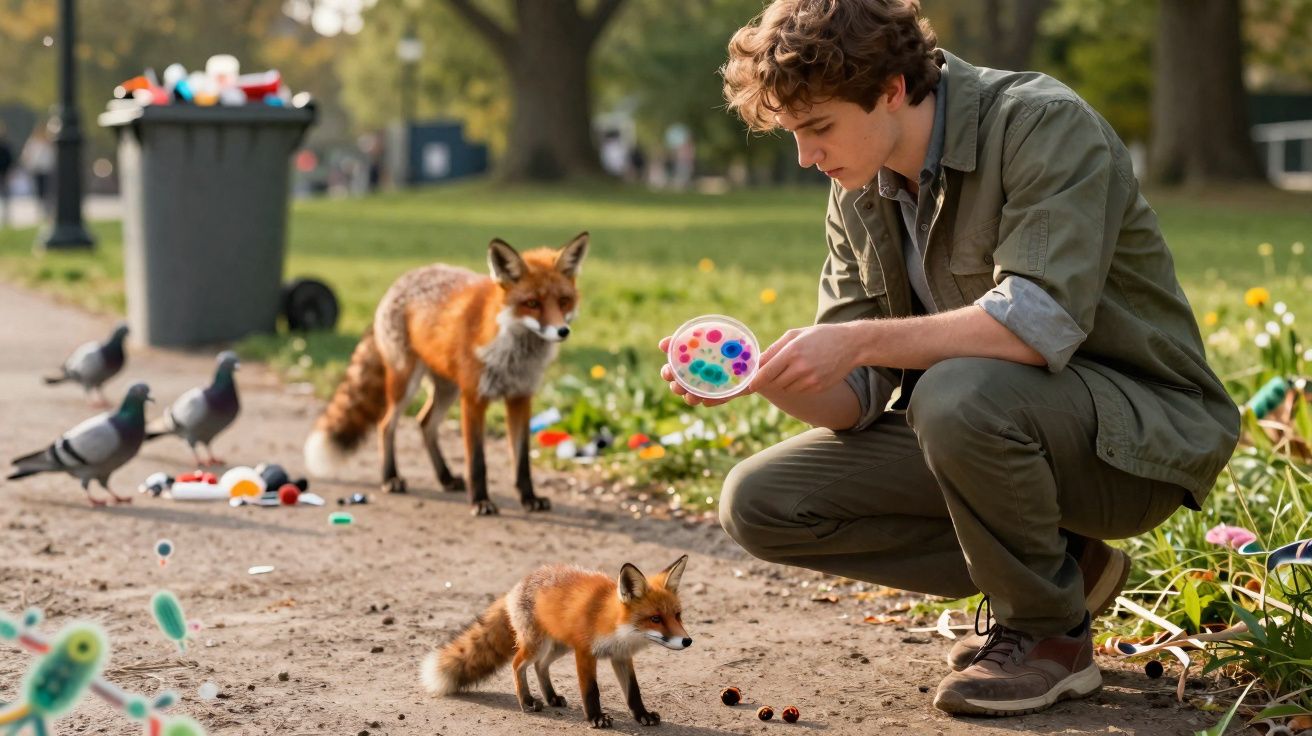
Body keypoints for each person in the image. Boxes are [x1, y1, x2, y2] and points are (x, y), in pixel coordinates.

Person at [658, 0, 1239, 717]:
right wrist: (772, 380)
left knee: (955, 392)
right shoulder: (857, 188)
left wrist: (860, 341)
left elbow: (1038, 323)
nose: (806, 157)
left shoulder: (1039, 124)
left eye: (818, 128)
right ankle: (1067, 570)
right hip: (998, 431)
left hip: (1138, 439)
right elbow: (859, 395)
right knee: (761, 503)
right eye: (792, 134)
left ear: (893, 89)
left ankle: (1047, 635)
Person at [20, 124, 55, 220]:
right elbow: (26, 156)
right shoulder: (32, 143)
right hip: (37, 170)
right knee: (40, 190)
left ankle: (48, 209)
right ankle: (43, 210)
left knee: (48, 190)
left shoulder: (49, 143)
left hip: (47, 170)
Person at [0, 124, 14, 229]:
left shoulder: (5, 146)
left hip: (4, 173)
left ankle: (6, 217)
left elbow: (10, 160)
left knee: (6, 196)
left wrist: (9, 172)